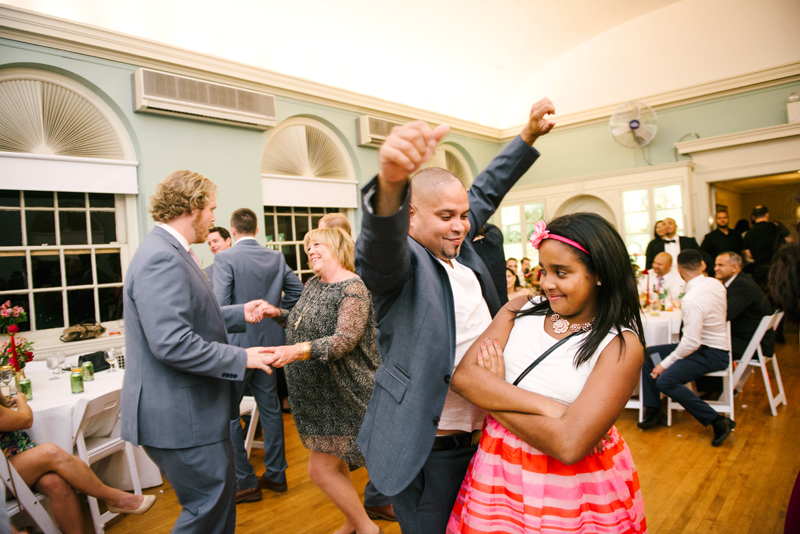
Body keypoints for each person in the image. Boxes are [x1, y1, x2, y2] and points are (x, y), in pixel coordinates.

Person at [356, 98, 555, 534]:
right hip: (432, 445)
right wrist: (391, 181)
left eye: (464, 216)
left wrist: (528, 136)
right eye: (447, 216)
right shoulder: (402, 266)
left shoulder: (458, 246)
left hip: (486, 435)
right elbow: (378, 249)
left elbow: (485, 190)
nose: (461, 225)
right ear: (410, 216)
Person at [446, 213, 647, 533]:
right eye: (544, 270)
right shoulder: (519, 308)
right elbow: (463, 379)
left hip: (571, 490)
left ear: (599, 275)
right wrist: (550, 407)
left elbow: (570, 445)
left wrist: (494, 390)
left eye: (561, 272)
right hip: (498, 471)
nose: (547, 283)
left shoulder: (620, 344)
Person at [121, 170, 275, 533]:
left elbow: (190, 318)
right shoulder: (162, 257)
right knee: (207, 509)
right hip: (180, 418)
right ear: (193, 206)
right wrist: (243, 357)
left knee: (217, 507)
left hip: (190, 414)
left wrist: (240, 313)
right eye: (211, 209)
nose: (214, 218)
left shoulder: (172, 251)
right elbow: (172, 341)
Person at [259, 227, 383, 534]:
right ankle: (351, 523)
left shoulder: (353, 288)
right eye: (308, 246)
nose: (310, 250)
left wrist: (295, 350)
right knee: (336, 463)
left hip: (344, 392)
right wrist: (277, 313)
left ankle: (368, 528)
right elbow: (303, 322)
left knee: (319, 470)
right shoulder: (314, 284)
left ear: (337, 247)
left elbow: (343, 341)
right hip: (318, 395)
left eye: (317, 245)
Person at [211, 208, 304, 503]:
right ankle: (277, 475)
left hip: (237, 350)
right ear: (256, 228)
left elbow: (219, 307)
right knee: (271, 410)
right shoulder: (275, 257)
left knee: (227, 415)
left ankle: (245, 480)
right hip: (270, 346)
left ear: (232, 230)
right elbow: (298, 293)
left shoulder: (225, 258)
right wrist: (275, 315)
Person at [0, 392, 155, 534]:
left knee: (56, 483)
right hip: (3, 473)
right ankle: (114, 498)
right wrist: (21, 401)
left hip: (13, 463)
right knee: (51, 453)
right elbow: (26, 420)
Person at [638, 249, 736, 446]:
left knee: (665, 381)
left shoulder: (691, 299)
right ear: (703, 265)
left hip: (713, 353)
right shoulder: (716, 284)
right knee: (648, 355)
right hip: (704, 347)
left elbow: (691, 343)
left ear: (679, 269)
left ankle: (718, 421)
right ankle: (654, 410)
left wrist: (664, 364)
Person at [698, 251, 775, 397]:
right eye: (715, 264)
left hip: (754, 344)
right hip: (752, 338)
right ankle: (714, 388)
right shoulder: (738, 281)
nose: (716, 268)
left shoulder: (742, 285)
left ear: (735, 267)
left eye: (721, 265)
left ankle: (715, 390)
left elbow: (726, 314)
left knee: (703, 343)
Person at [743, 205, 789, 286]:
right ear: (767, 214)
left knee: (762, 294)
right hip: (777, 266)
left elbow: (749, 255)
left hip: (759, 269)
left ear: (753, 217)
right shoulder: (776, 226)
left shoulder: (748, 233)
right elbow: (789, 241)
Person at [472, 224, 508, 305]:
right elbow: (491, 227)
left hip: (480, 305)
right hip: (502, 303)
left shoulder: (465, 248)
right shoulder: (495, 238)